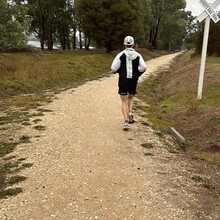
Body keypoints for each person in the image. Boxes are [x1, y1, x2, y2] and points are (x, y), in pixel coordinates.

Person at [111, 36, 147, 130]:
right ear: (133, 44)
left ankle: (126, 122)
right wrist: (137, 73)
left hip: (123, 79)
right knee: (130, 98)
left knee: (124, 101)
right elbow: (144, 67)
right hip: (133, 80)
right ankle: (130, 112)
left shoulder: (120, 55)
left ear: (124, 44)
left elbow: (113, 68)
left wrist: (117, 71)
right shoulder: (138, 55)